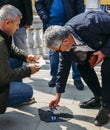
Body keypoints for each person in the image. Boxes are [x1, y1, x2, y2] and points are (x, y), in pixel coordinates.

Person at [43, 11, 110, 126]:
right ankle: (99, 97)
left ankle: (106, 106)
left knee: (107, 68)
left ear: (65, 41)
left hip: (106, 42)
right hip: (95, 44)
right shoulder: (64, 42)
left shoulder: (90, 22)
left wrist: (104, 51)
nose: (59, 53)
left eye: (58, 50)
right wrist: (58, 94)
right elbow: (63, 68)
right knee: (82, 66)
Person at [35, 0, 85, 90]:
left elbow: (80, 6)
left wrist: (77, 21)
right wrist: (44, 17)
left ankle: (77, 78)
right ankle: (55, 77)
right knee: (54, 53)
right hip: (51, 24)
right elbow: (39, 3)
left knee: (74, 50)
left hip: (70, 23)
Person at [0, 4, 41, 114]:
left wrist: (26, 56)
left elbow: (11, 49)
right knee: (27, 90)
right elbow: (4, 77)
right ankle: (12, 97)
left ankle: (14, 89)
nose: (18, 28)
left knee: (18, 60)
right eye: (17, 25)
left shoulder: (3, 32)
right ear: (7, 22)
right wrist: (29, 70)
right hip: (2, 80)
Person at [0, 0, 33, 74]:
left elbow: (27, 4)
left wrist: (28, 21)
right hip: (4, 19)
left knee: (21, 47)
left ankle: (22, 69)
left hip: (19, 21)